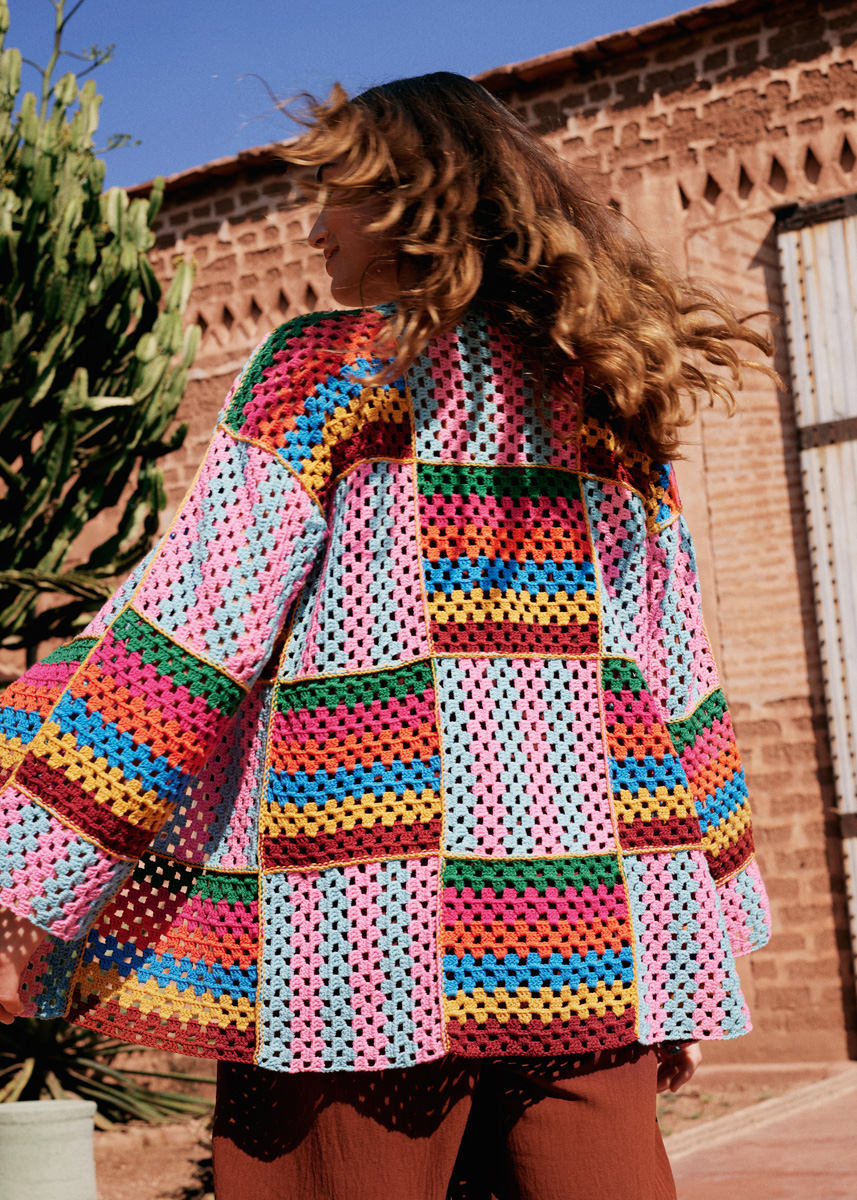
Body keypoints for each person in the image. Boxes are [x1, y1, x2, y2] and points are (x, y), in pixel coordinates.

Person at [0, 72, 772, 1199]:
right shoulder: (605, 399)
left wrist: (31, 887)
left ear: (419, 204)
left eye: (338, 197)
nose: (314, 229)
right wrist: (692, 948)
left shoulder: (331, 373)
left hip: (361, 930)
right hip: (596, 931)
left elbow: (186, 646)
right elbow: (679, 688)